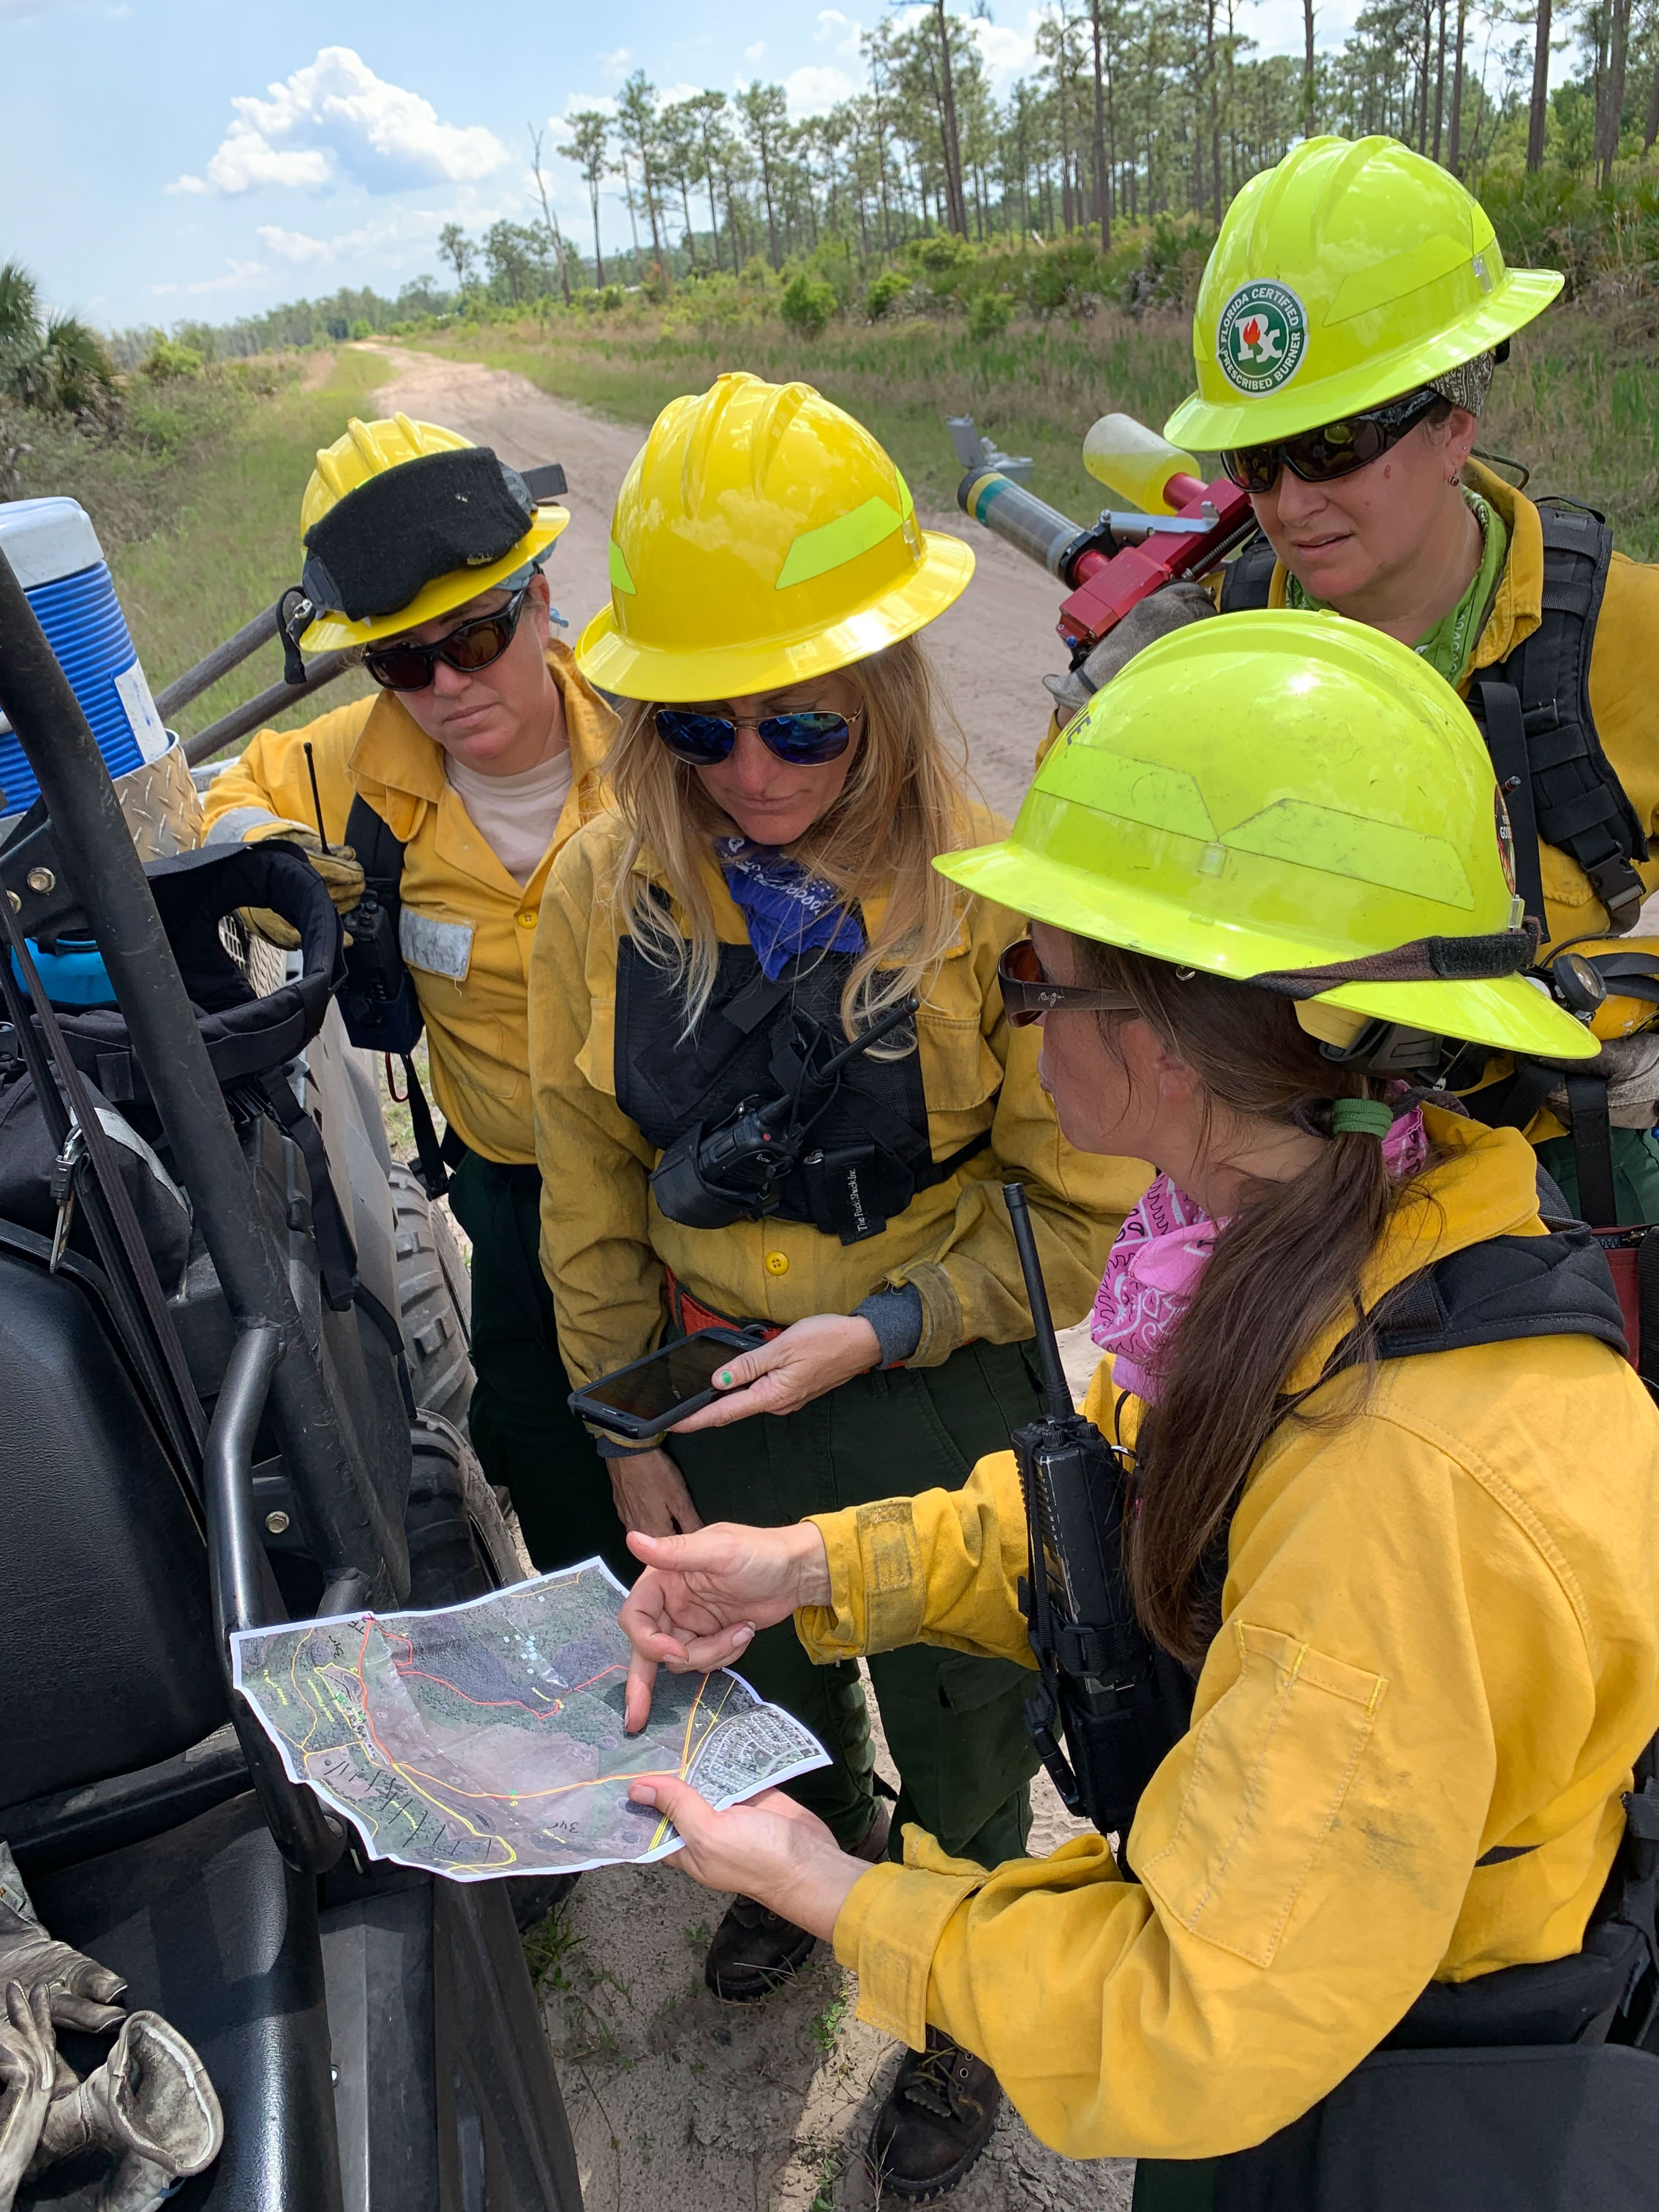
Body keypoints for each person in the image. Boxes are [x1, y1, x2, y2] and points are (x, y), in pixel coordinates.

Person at [612, 613, 1659, 2207]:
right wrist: (811, 1566)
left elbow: (1192, 2018)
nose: (1017, 1007)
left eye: (1041, 973)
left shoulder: (1397, 1485)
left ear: (1177, 1034)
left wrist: (838, 1892)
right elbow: (1113, 1507)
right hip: (1319, 1985)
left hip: (1379, 2079)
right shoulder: (1280, 1244)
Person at [527, 371, 1130, 2190]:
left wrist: (883, 1322)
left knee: (969, 1709)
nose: (754, 776)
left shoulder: (997, 899)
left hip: (933, 1394)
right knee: (766, 1663)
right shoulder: (595, 902)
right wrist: (631, 1436)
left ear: (880, 696)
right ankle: (810, 1853)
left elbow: (1077, 1213)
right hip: (710, 1387)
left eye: (804, 728)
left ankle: (956, 2005)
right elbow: (587, 1189)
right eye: (702, 732)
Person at [1162, 132, 1659, 1225]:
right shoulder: (1215, 656)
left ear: (1452, 428)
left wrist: (1629, 998)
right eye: (1258, 460)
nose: (1291, 504)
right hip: (1300, 1204)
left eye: (1335, 444)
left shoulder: (1626, 637)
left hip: (1564, 1192)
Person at [202, 413, 628, 1578]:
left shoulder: (651, 737)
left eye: (478, 637)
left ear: (542, 601)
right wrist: (275, 853)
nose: (444, 686)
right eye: (400, 661)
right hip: (511, 1189)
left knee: (730, 1461)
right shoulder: (351, 765)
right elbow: (215, 800)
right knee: (541, 1449)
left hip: (685, 1185)